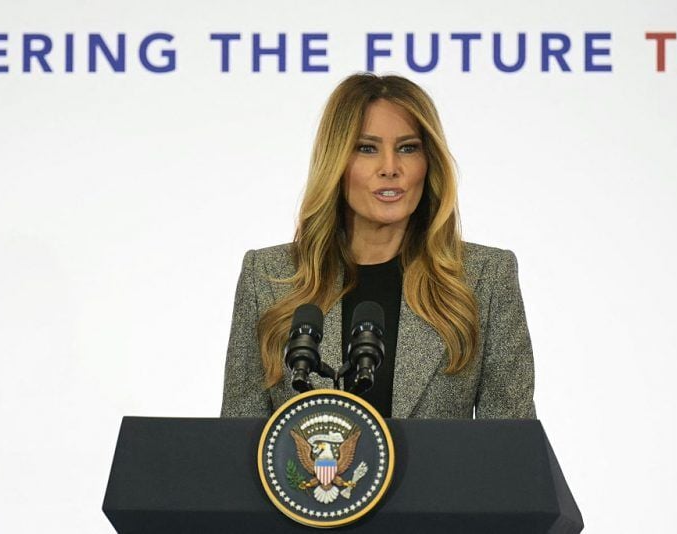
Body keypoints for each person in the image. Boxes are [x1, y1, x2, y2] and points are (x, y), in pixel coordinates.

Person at [221, 73, 536, 420]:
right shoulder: (267, 276)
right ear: (336, 161)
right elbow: (237, 444)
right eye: (367, 148)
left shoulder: (485, 277)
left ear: (428, 162)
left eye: (408, 148)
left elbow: (512, 447)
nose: (390, 168)